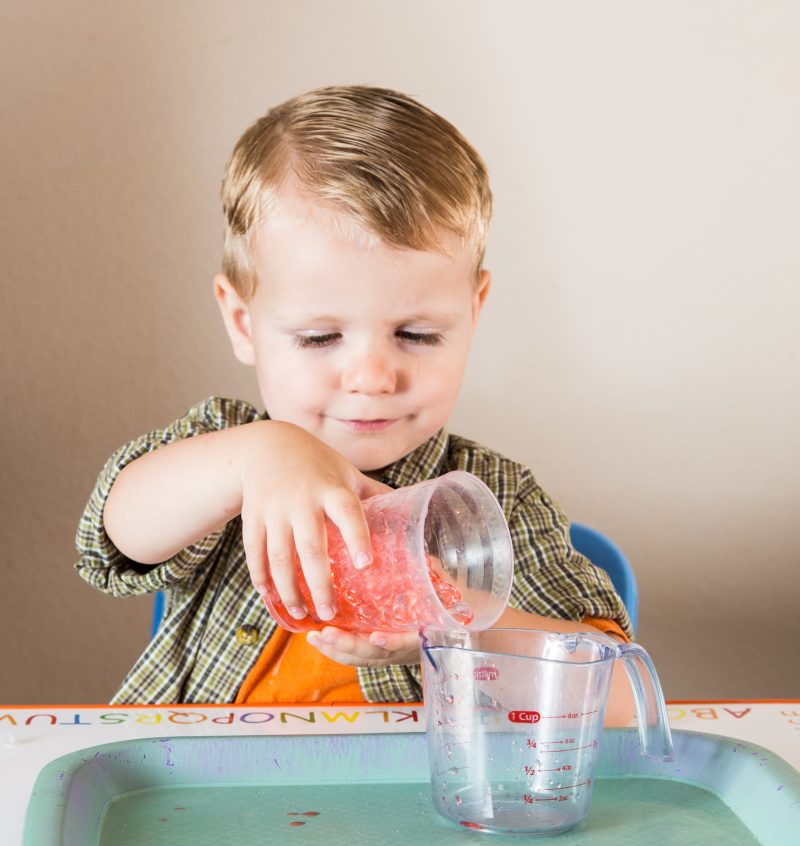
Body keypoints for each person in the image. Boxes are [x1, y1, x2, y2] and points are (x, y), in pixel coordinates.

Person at [75, 84, 635, 719]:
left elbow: (618, 695)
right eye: (320, 337)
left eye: (417, 335)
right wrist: (260, 457)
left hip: (406, 812)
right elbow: (115, 537)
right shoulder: (228, 449)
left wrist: (464, 625)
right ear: (242, 322)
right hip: (196, 798)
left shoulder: (494, 500)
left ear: (472, 314)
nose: (371, 377)